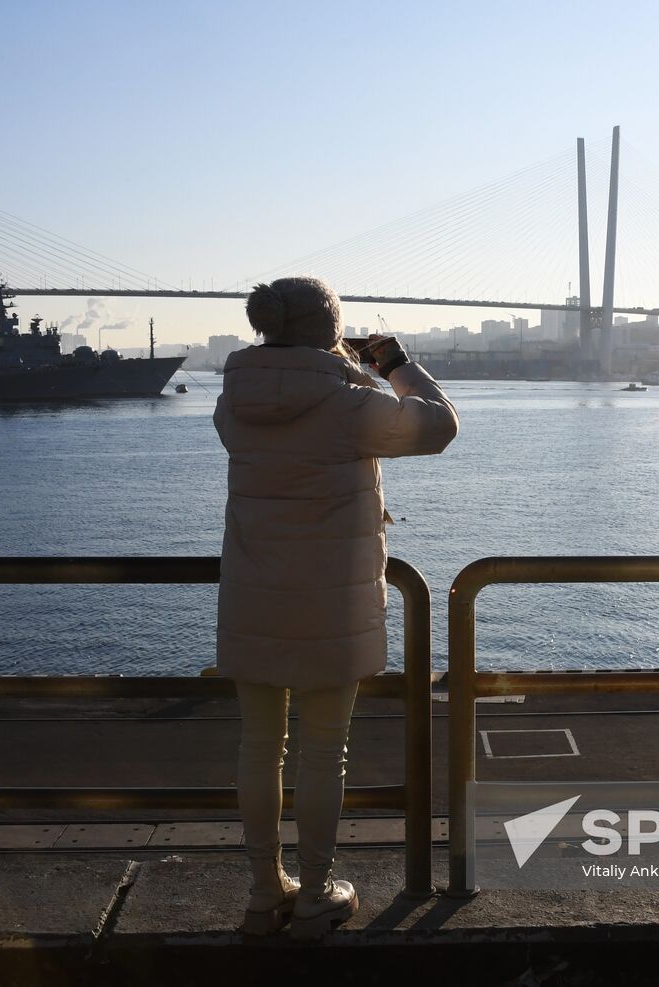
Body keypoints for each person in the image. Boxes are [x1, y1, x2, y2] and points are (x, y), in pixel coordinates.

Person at [213, 276, 458, 940]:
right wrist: (394, 364)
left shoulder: (232, 403)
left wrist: (335, 363)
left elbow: (285, 412)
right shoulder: (352, 405)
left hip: (252, 599)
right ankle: (318, 891)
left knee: (259, 746)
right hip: (330, 605)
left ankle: (266, 893)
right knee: (324, 751)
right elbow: (439, 425)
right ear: (332, 331)